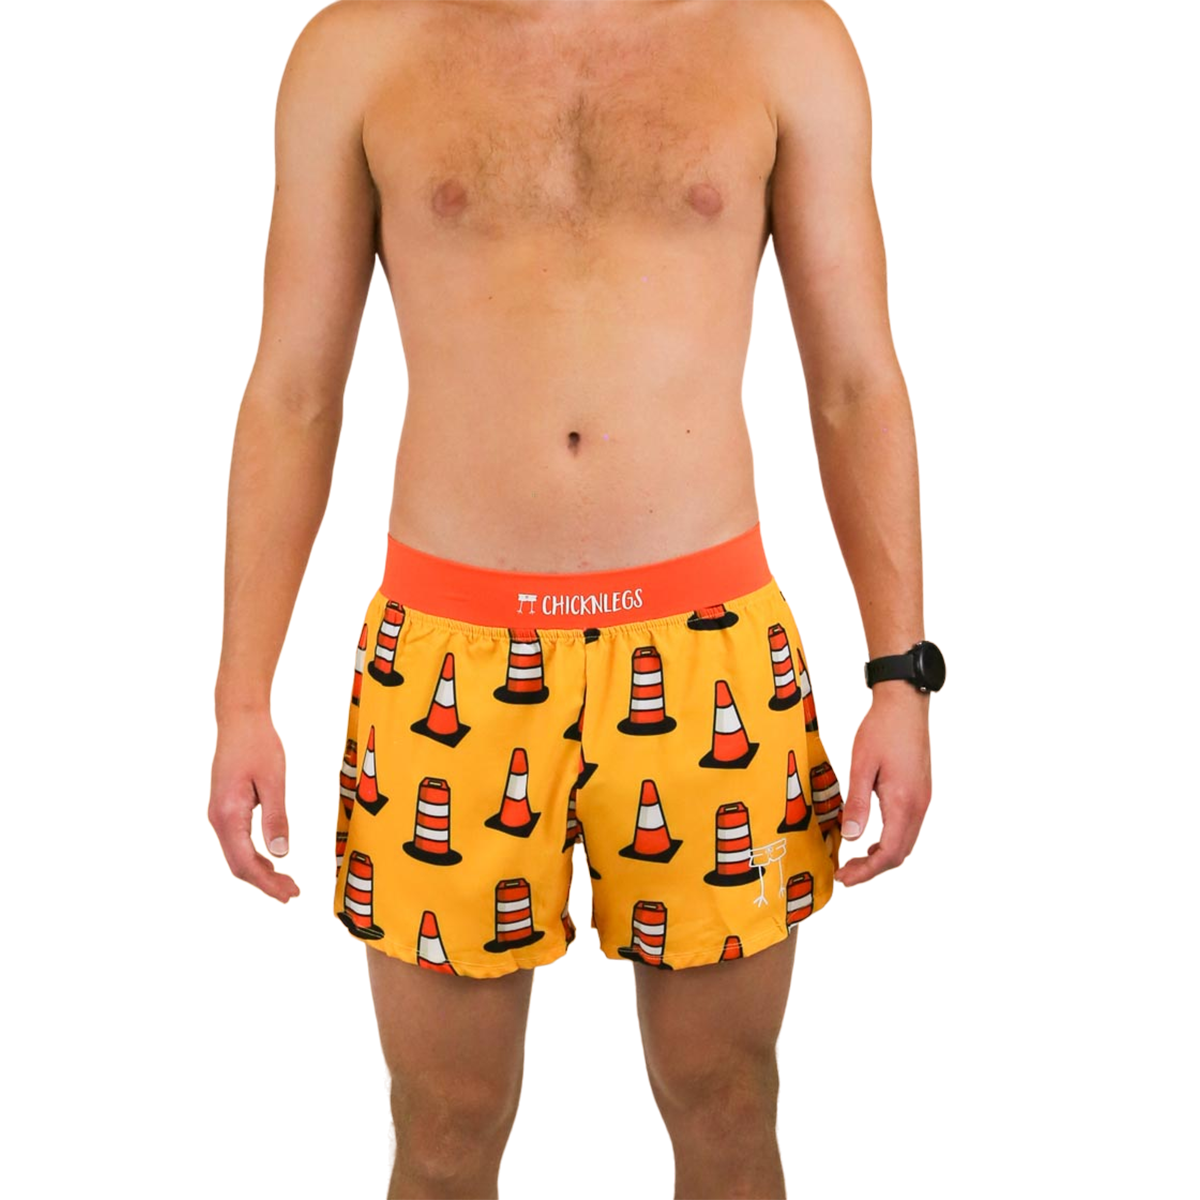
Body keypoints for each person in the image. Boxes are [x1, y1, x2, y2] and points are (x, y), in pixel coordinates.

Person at [209, 1, 940, 1197]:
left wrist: (902, 676)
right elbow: (293, 389)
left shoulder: (779, 38)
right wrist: (243, 697)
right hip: (449, 656)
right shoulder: (364, 45)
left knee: (724, 1098)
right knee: (444, 1130)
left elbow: (856, 379)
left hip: (709, 645)